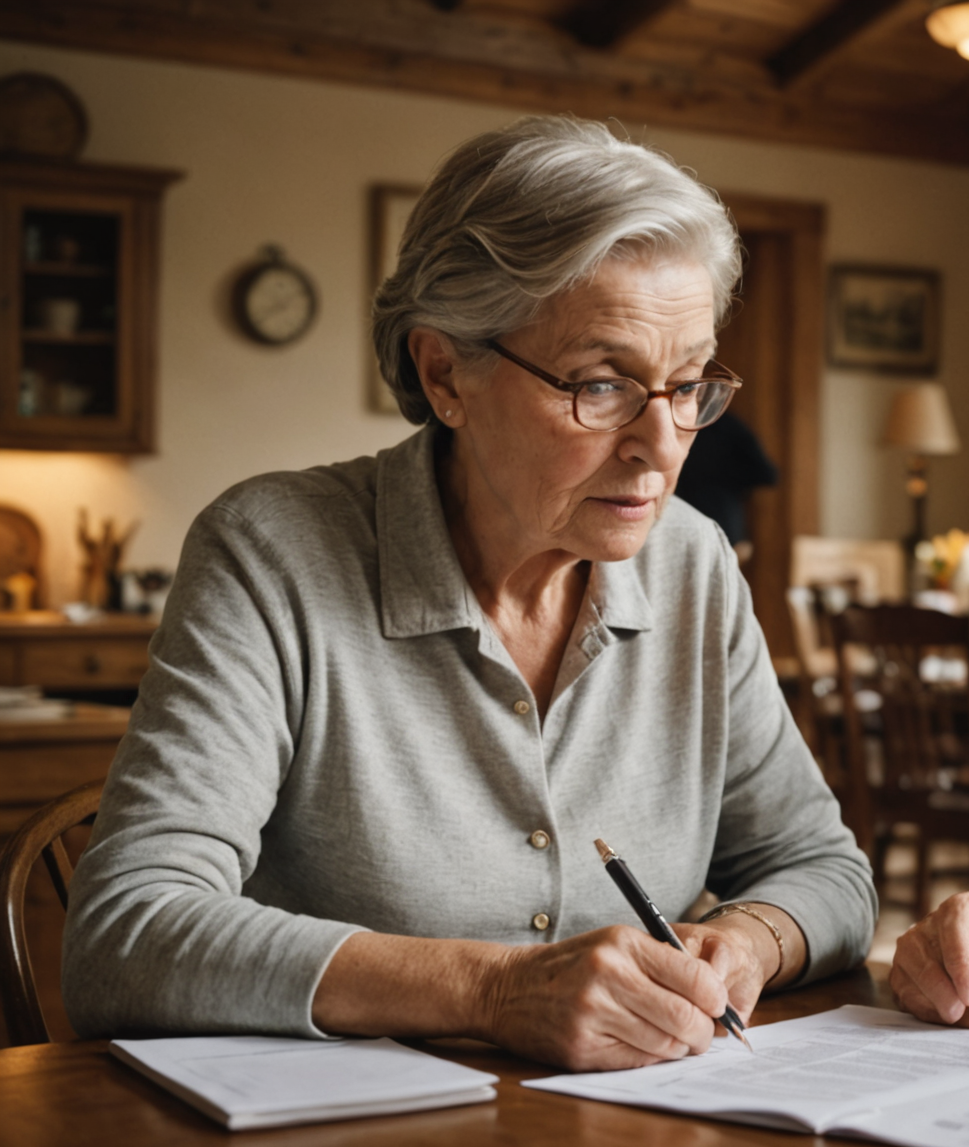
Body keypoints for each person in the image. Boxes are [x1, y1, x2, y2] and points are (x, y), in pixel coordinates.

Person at [63, 116, 875, 1072]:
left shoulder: (692, 563)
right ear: (444, 371)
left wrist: (743, 943)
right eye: (602, 385)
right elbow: (124, 934)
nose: (664, 445)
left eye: (689, 384)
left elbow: (826, 871)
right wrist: (492, 991)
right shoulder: (271, 553)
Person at [673, 410, 778, 564]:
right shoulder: (724, 424)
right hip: (707, 526)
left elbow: (768, 475)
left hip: (717, 528)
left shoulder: (724, 425)